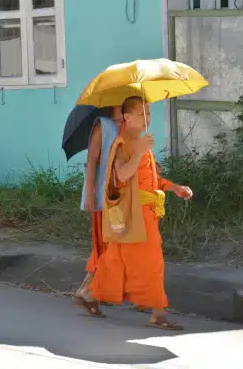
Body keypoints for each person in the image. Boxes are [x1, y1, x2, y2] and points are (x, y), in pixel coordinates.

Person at [79, 96, 193, 330]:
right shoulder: (121, 144)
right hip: (134, 216)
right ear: (126, 117)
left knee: (116, 260)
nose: (147, 119)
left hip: (147, 213)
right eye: (142, 115)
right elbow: (121, 176)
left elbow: (152, 179)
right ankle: (158, 315)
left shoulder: (141, 143)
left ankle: (90, 293)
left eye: (149, 114)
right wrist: (140, 151)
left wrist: (175, 188)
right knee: (150, 263)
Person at [73, 106, 123, 301]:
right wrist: (90, 194)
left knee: (112, 245)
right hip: (103, 194)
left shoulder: (129, 126)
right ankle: (88, 290)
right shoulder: (104, 126)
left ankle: (91, 290)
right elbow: (92, 159)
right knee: (105, 245)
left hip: (121, 196)